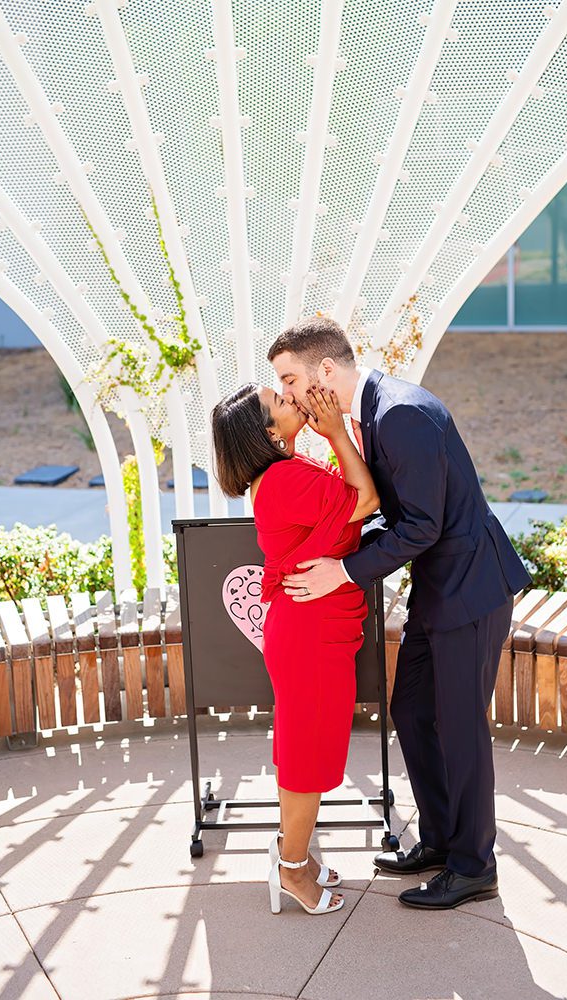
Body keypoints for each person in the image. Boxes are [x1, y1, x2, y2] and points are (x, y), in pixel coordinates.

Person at [268, 315, 532, 911]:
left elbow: (422, 526)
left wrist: (342, 570)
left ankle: (474, 866)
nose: (286, 393)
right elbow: (397, 511)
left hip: (470, 590)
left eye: (290, 379)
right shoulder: (369, 412)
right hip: (439, 591)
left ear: (325, 371)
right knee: (412, 710)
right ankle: (440, 840)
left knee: (460, 727)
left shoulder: (400, 413)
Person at [211, 381, 379, 915]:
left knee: (304, 749)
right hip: (311, 633)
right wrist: (337, 434)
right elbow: (366, 500)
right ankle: (291, 869)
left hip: (312, 628)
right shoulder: (285, 479)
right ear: (268, 432)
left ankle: (295, 854)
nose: (293, 399)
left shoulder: (282, 473)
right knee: (307, 758)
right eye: (280, 402)